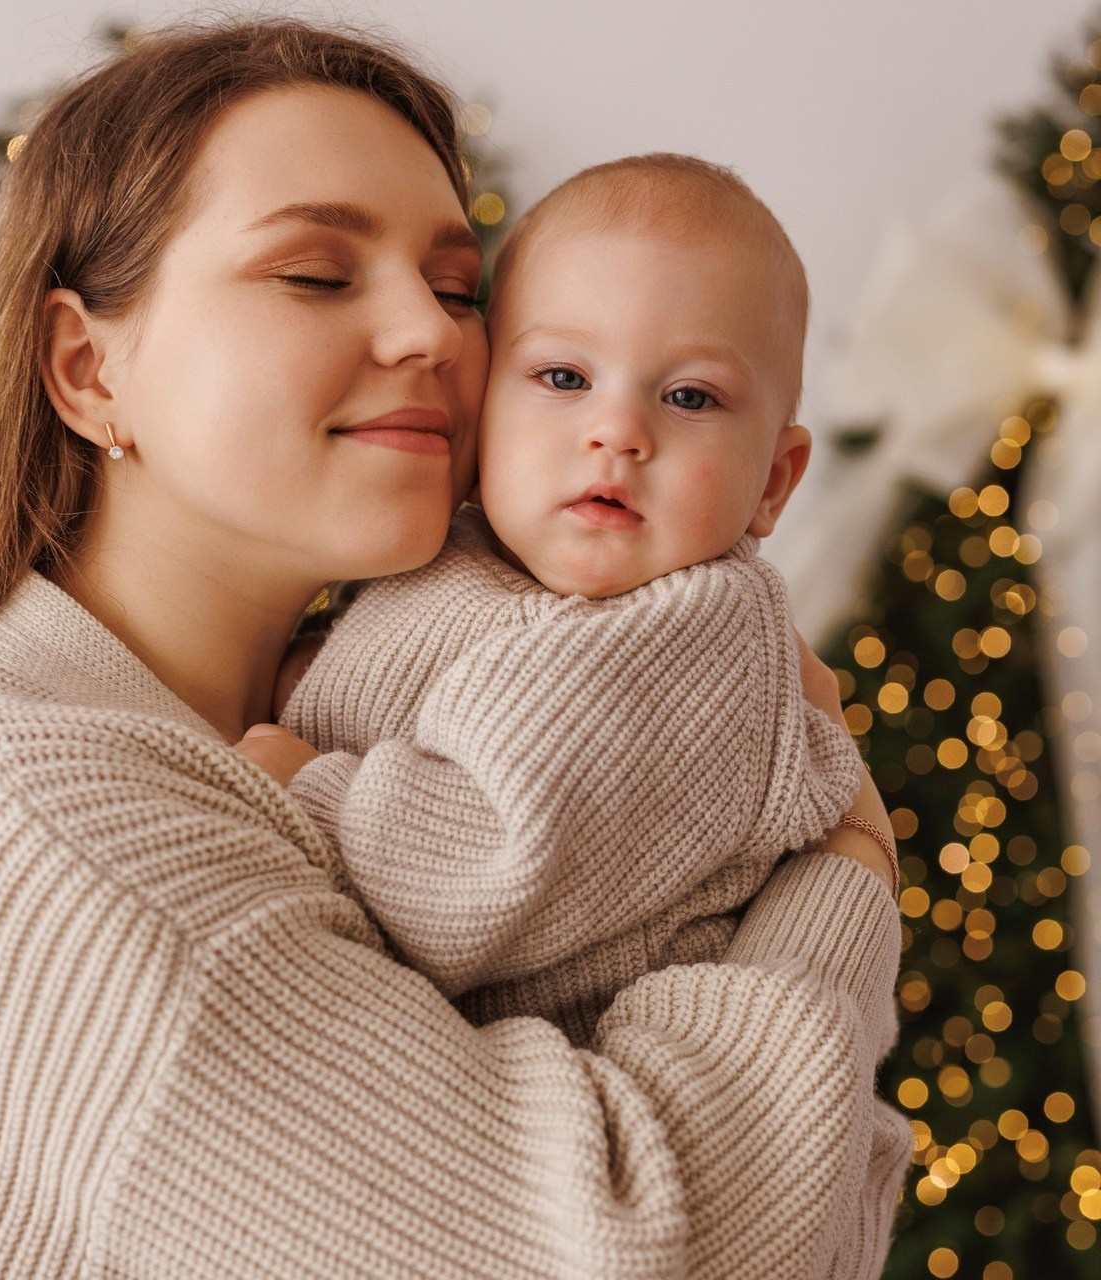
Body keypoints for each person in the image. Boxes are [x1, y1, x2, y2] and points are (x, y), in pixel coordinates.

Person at [0, 18, 906, 1280]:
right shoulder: (47, 814)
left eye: (456, 288)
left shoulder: (346, 700)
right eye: (317, 274)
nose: (435, 336)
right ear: (86, 367)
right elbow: (651, 1252)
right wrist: (844, 865)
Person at [271, 154, 886, 1047]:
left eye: (689, 396)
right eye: (564, 378)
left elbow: (479, 880)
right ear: (484, 403)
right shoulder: (457, 546)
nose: (618, 433)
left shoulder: (695, 637)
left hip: (561, 1087)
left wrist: (305, 785)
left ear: (774, 482)